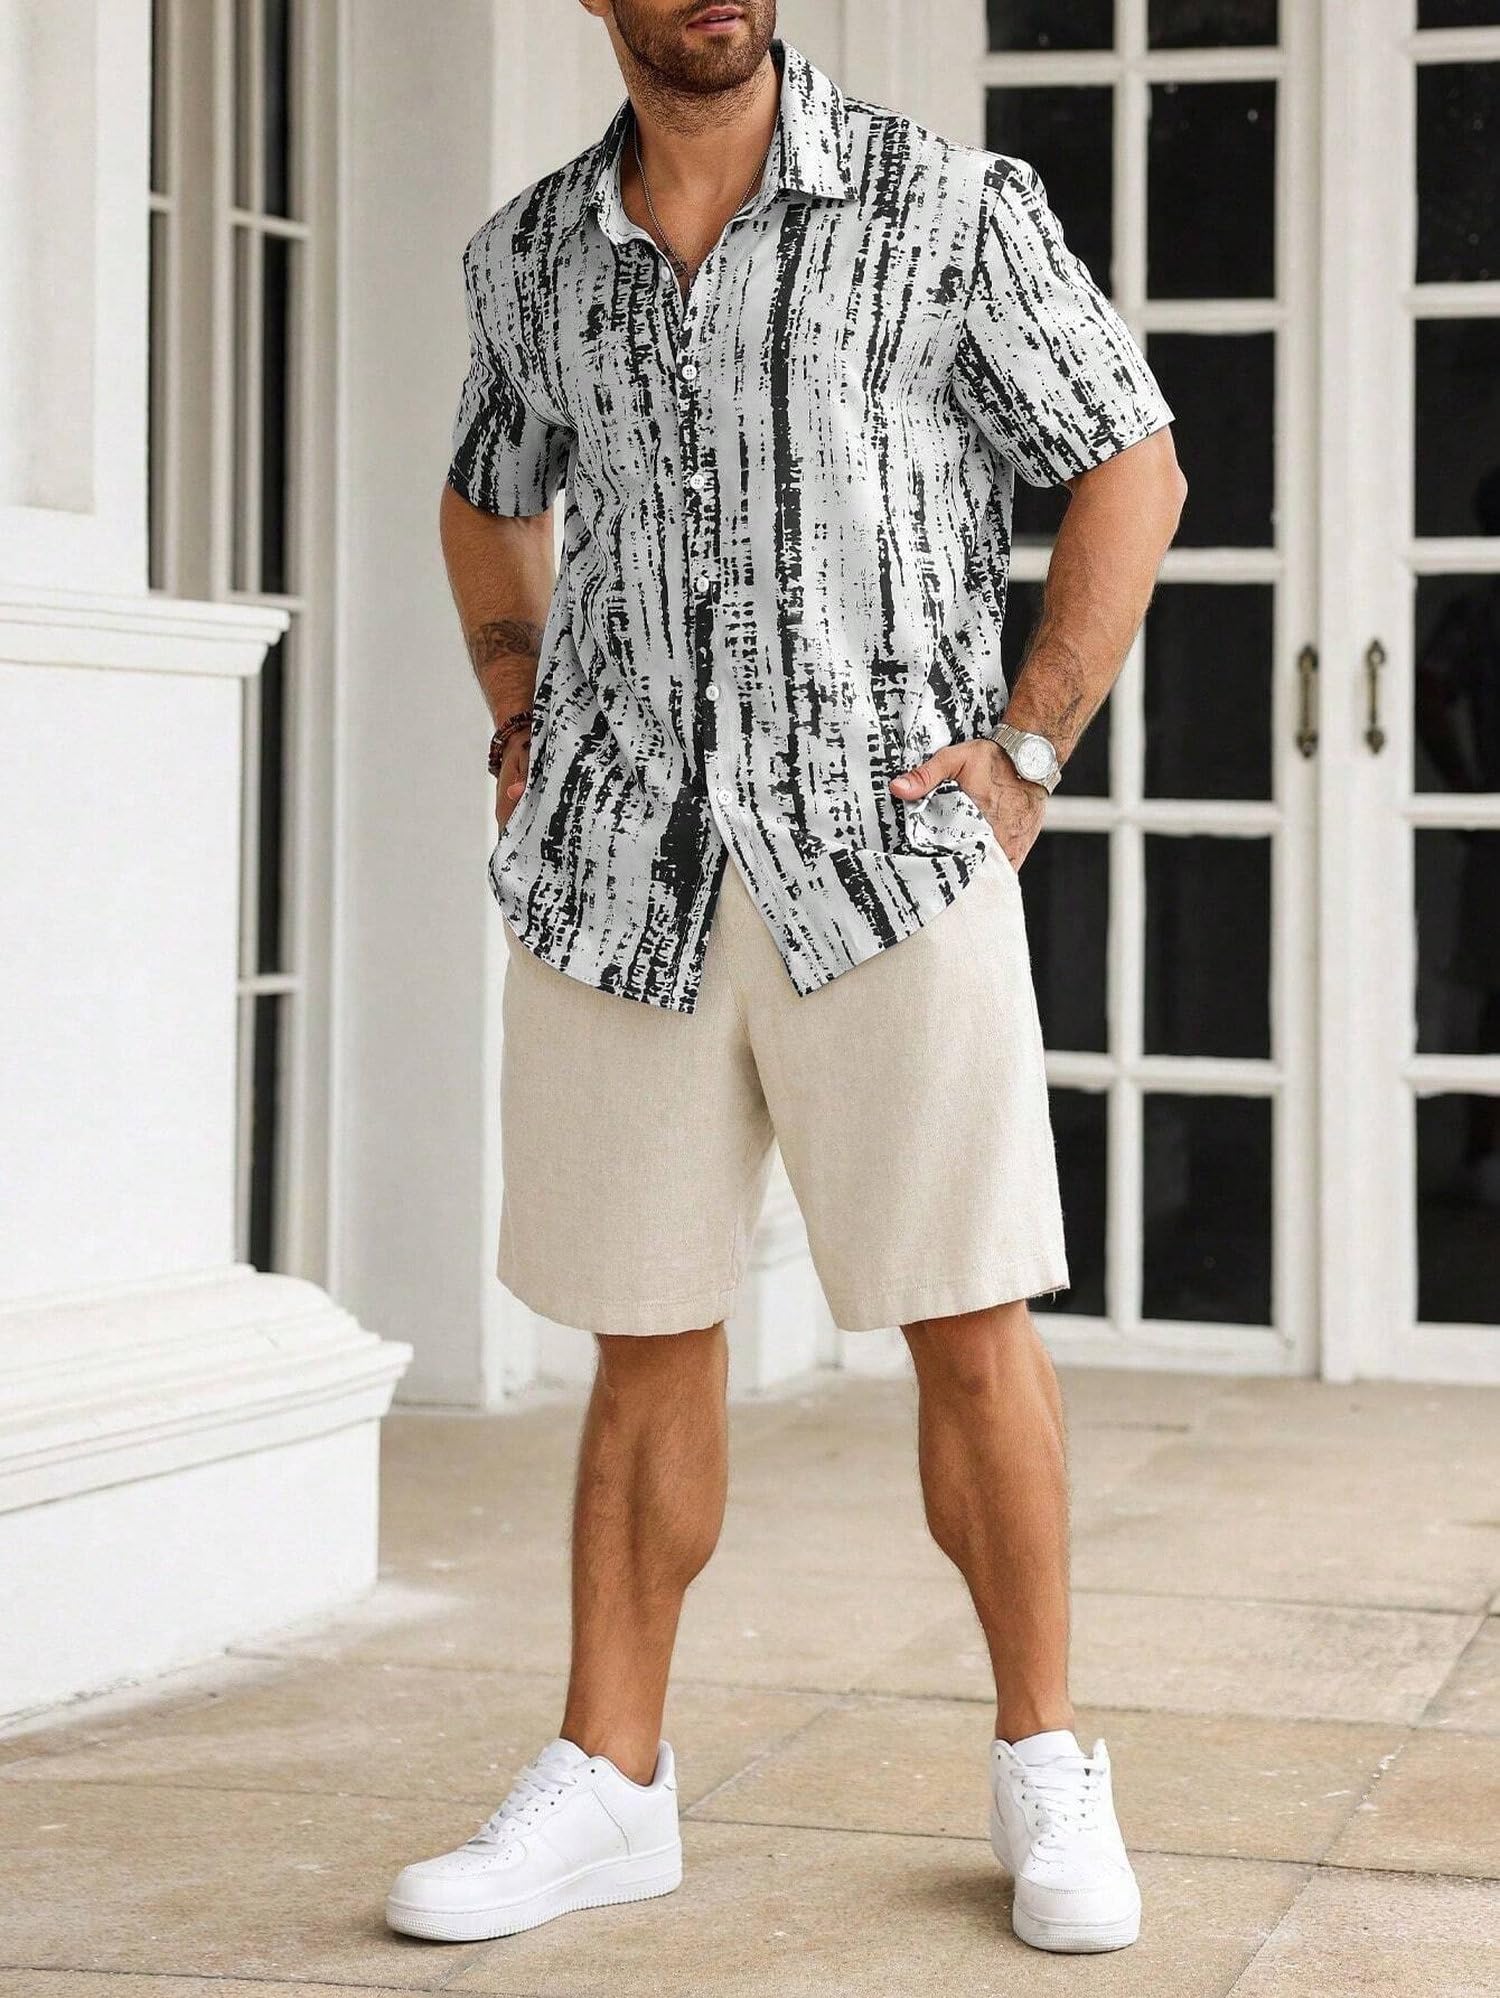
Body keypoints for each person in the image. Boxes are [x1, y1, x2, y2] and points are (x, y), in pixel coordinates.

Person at [386, 0, 1185, 1959]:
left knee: (968, 1320)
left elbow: (1131, 460)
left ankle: (1045, 1759)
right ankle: (611, 1780)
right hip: (623, 874)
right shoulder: (533, 255)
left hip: (887, 857)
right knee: (646, 1334)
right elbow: (487, 490)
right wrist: (518, 699)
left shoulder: (945, 205)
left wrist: (1032, 743)